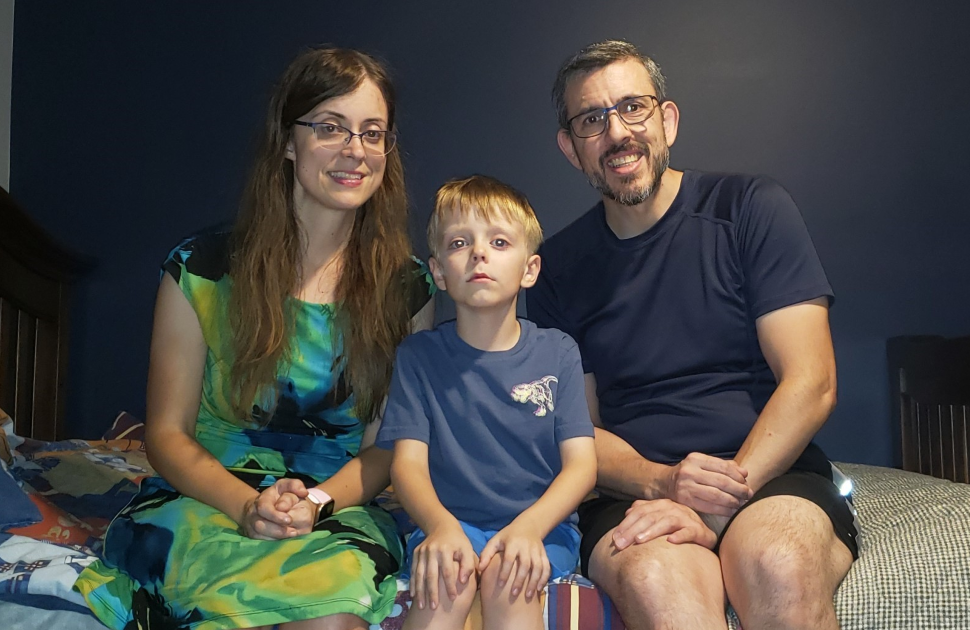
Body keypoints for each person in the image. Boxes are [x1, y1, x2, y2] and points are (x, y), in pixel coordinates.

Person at [74, 46, 435, 630]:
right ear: (287, 142)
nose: (356, 150)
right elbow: (166, 433)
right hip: (208, 497)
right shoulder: (202, 269)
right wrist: (246, 506)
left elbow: (388, 448)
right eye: (330, 127)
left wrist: (315, 505)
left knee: (332, 616)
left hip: (332, 508)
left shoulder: (407, 289)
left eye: (373, 133)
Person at [527, 40, 859, 630]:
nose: (617, 132)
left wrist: (724, 496)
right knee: (658, 584)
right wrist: (664, 483)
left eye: (634, 107)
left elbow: (813, 381)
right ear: (571, 148)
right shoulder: (555, 269)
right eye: (592, 120)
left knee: (777, 562)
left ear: (667, 119)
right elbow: (577, 429)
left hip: (770, 471)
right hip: (639, 492)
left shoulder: (751, 209)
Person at [375, 175, 596, 630]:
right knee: (446, 580)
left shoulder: (559, 352)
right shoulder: (418, 357)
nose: (479, 253)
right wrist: (439, 527)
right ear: (438, 272)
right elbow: (406, 466)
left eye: (498, 241)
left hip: (542, 528)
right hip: (447, 524)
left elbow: (581, 466)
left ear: (529, 269)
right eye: (460, 242)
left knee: (507, 580)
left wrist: (531, 528)